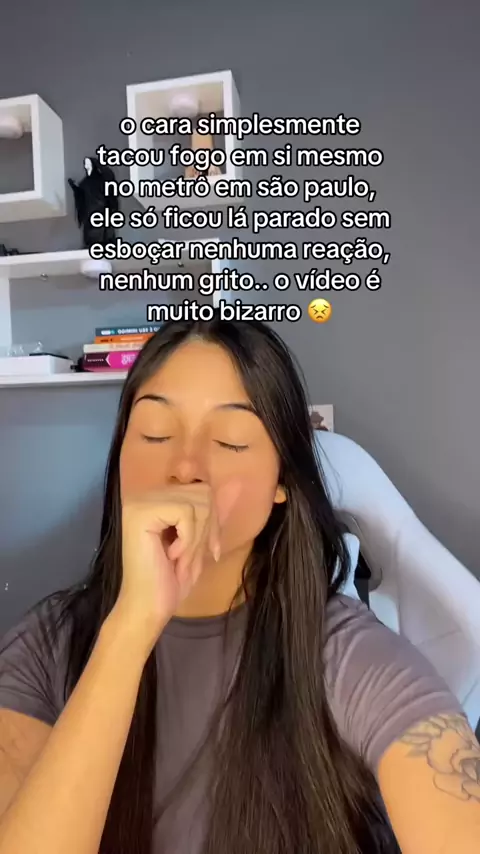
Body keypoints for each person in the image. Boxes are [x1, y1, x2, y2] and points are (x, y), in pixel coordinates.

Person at [0, 316, 478, 854]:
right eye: (155, 433)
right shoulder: (46, 649)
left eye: (229, 442)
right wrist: (130, 627)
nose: (185, 467)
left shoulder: (351, 660)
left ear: (282, 481)